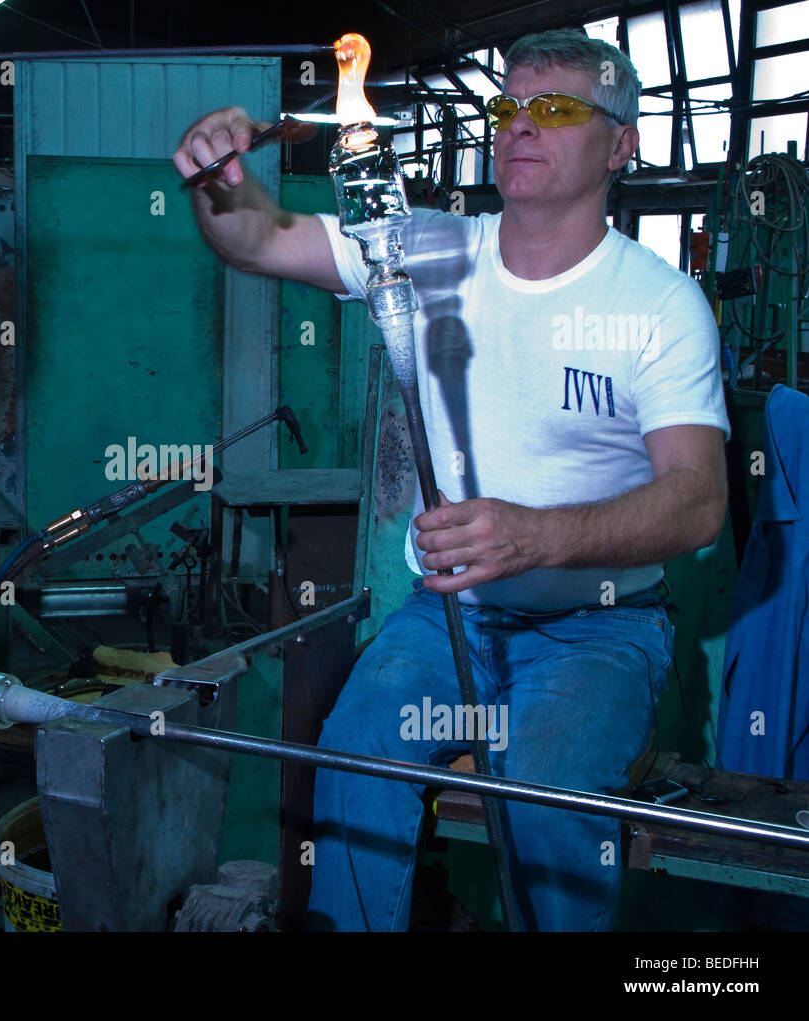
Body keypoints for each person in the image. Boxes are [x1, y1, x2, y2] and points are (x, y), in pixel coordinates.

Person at [174, 28, 729, 930]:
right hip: (451, 617)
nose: (520, 124)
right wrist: (215, 177)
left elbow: (699, 497)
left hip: (598, 627)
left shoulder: (659, 306)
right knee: (359, 756)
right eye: (508, 106)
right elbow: (259, 238)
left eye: (555, 109)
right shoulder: (421, 250)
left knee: (544, 790)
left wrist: (539, 535)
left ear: (622, 144)